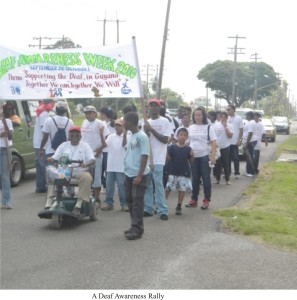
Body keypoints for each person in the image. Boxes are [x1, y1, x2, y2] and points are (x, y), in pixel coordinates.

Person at [46, 126, 96, 215]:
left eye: (77, 133)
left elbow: (92, 159)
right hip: (64, 170)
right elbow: (55, 157)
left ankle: (79, 204)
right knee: (52, 175)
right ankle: (49, 202)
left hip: (80, 170)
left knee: (87, 177)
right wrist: (51, 159)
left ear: (80, 136)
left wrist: (86, 163)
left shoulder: (85, 146)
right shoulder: (63, 145)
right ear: (68, 135)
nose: (74, 135)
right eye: (72, 133)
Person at [143, 99, 171, 221]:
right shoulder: (146, 122)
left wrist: (152, 130)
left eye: (155, 106)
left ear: (159, 108)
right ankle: (148, 208)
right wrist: (146, 132)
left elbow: (165, 139)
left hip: (158, 158)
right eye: (151, 106)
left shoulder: (165, 121)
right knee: (147, 184)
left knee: (158, 184)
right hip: (148, 158)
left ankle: (162, 210)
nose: (153, 108)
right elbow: (144, 139)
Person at [123, 112, 150, 240]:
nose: (123, 123)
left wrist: (139, 176)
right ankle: (134, 225)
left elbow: (144, 156)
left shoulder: (142, 136)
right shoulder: (131, 136)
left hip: (139, 175)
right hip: (128, 173)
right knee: (129, 199)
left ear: (130, 122)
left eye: (125, 121)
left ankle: (137, 229)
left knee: (137, 202)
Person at [186, 107, 217, 209]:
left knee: (206, 179)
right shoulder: (191, 128)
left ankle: (206, 200)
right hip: (193, 157)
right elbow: (187, 142)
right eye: (195, 115)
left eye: (199, 115)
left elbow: (213, 142)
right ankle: (194, 199)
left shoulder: (208, 127)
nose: (197, 116)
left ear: (203, 116)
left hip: (204, 157)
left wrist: (213, 156)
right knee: (194, 179)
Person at [81, 105, 109, 204]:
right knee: (85, 175)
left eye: (90, 113)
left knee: (96, 176)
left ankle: (97, 197)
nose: (88, 115)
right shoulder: (84, 123)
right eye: (86, 113)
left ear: (95, 113)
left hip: (96, 154)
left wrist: (100, 150)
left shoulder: (100, 123)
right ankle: (86, 196)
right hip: (84, 154)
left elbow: (106, 140)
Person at [101, 118, 128, 211]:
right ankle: (109, 203)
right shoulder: (111, 136)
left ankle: (124, 204)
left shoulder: (128, 135)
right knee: (109, 184)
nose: (117, 127)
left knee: (121, 185)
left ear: (123, 126)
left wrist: (124, 134)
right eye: (116, 125)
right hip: (111, 164)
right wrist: (101, 134)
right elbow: (104, 145)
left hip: (121, 165)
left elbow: (124, 145)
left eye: (119, 125)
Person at [165, 127, 193, 215]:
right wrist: (166, 153)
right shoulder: (172, 147)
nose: (182, 137)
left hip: (184, 172)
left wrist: (192, 156)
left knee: (182, 189)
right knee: (168, 188)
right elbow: (169, 158)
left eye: (185, 135)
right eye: (181, 135)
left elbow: (191, 161)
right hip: (173, 172)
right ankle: (162, 205)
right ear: (177, 136)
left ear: (187, 137)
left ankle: (179, 205)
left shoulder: (188, 148)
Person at [33, 99, 55, 193]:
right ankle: (49, 186)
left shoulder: (40, 112)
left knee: (39, 166)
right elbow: (44, 130)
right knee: (45, 166)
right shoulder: (45, 114)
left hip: (37, 143)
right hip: (43, 144)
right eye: (53, 105)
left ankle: (40, 186)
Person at [213, 111, 233, 185]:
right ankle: (217, 179)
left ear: (227, 118)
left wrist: (225, 127)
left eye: (224, 117)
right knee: (217, 164)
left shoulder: (230, 125)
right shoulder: (216, 125)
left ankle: (227, 179)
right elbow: (213, 136)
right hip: (218, 147)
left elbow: (230, 136)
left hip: (226, 146)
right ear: (219, 117)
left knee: (226, 163)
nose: (223, 119)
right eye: (221, 117)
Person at [100, 106, 117, 191]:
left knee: (107, 170)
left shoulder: (114, 124)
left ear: (103, 114)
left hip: (109, 150)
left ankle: (109, 186)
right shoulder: (101, 123)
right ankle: (104, 184)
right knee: (100, 169)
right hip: (102, 150)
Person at [0, 108, 13, 209]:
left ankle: (6, 201)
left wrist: (5, 125)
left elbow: (10, 137)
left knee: (5, 177)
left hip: (5, 150)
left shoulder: (7, 121)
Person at [227, 104, 244, 179]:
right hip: (227, 142)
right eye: (227, 109)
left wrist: (239, 140)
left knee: (235, 158)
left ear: (234, 110)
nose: (228, 111)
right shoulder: (227, 118)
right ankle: (228, 172)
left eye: (229, 109)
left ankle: (236, 172)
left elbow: (241, 130)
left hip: (234, 142)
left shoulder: (238, 119)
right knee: (227, 159)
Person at [242, 111, 257, 177]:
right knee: (247, 157)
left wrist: (247, 143)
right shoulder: (250, 122)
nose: (246, 117)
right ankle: (248, 171)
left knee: (249, 157)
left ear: (250, 116)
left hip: (250, 141)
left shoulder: (251, 123)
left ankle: (251, 172)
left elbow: (250, 133)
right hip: (249, 141)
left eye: (247, 115)